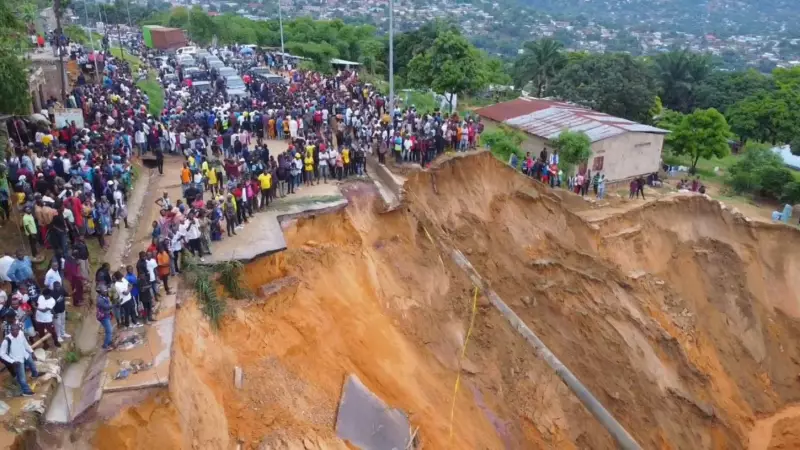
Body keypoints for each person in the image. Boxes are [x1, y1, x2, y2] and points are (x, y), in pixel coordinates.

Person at [0, 323, 40, 396]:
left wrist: (32, 352)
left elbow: (25, 344)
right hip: (17, 360)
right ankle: (26, 391)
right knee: (22, 377)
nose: (15, 332)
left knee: (33, 365)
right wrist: (12, 361)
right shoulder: (7, 340)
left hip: (25, 355)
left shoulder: (21, 334)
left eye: (16, 330)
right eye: (13, 330)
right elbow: (2, 354)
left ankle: (35, 375)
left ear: (19, 330)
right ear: (10, 331)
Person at [96, 284, 114, 350]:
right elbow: (107, 307)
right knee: (109, 330)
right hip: (103, 317)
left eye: (106, 290)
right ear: (100, 291)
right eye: (104, 291)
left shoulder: (104, 296)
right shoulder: (100, 300)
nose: (106, 291)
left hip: (106, 315)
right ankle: (106, 345)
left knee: (108, 329)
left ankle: (109, 342)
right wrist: (113, 305)